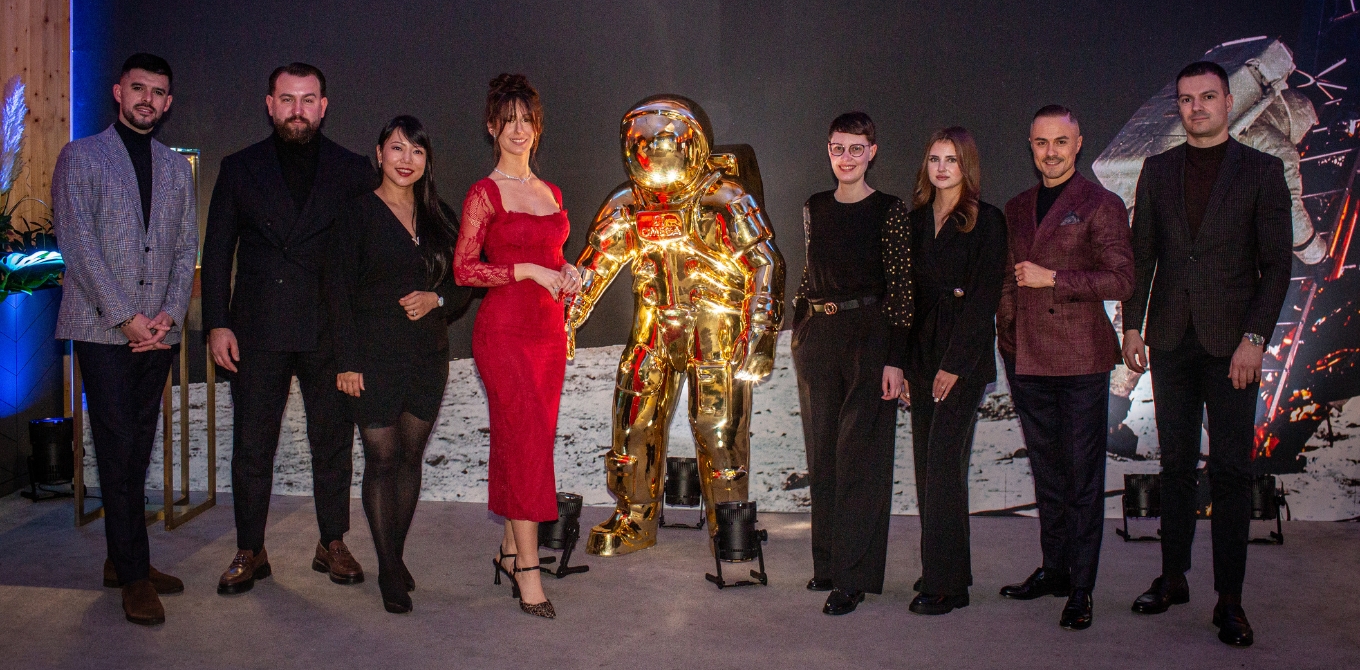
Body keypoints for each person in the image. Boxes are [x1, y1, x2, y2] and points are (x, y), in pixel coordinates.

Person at [1121, 61, 1292, 648]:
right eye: (1187, 99)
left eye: (1208, 97)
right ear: (1179, 107)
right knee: (1174, 467)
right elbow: (1142, 255)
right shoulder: (1157, 170)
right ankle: (1173, 578)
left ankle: (1230, 600)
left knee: (1230, 472)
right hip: (1170, 340)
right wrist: (1132, 327)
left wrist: (1255, 339)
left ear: (1226, 102)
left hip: (1233, 348)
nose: (1197, 107)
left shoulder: (1262, 172)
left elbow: (1277, 267)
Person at [201, 62, 375, 594]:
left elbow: (371, 248)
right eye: (287, 99)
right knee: (252, 446)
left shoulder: (352, 168)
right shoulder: (239, 168)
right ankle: (249, 549)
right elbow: (218, 251)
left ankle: (332, 542)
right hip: (257, 328)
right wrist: (217, 324)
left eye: (308, 99)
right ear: (270, 104)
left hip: (328, 328)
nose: (297, 110)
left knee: (333, 443)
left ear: (324, 106)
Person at [52, 53, 197, 625]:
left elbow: (185, 247)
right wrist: (125, 317)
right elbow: (78, 244)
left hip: (156, 331)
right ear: (119, 92)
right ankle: (135, 577)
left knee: (138, 448)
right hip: (100, 327)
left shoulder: (175, 167)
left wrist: (167, 314)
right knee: (116, 445)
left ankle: (122, 558)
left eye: (158, 92)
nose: (148, 100)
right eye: (139, 88)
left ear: (168, 102)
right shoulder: (81, 156)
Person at [996, 105, 1134, 630]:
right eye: (1040, 142)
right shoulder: (1016, 207)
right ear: (1030, 147)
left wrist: (1054, 279)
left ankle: (1082, 586)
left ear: (1078, 144)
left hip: (1079, 359)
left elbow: (1121, 280)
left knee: (1082, 478)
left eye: (1060, 142)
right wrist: (1007, 336)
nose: (1050, 152)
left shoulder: (1101, 203)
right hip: (1026, 357)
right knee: (1047, 473)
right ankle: (1054, 570)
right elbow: (1008, 280)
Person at [327, 116, 472, 613]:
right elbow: (337, 293)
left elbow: (464, 280)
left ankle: (395, 554)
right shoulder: (356, 214)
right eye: (397, 148)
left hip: (428, 358)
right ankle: (389, 568)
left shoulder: (440, 216)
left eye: (417, 151)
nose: (406, 159)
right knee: (382, 460)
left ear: (427, 160)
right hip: (372, 360)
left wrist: (436, 299)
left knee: (410, 459)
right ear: (379, 153)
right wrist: (346, 361)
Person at [454, 74, 579, 619]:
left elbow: (554, 260)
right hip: (503, 334)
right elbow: (464, 269)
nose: (519, 130)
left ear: (538, 128)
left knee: (526, 441)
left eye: (527, 121)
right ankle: (529, 569)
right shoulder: (483, 194)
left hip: (547, 334)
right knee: (525, 441)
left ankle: (510, 549)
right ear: (492, 128)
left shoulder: (551, 192)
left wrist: (567, 273)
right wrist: (526, 270)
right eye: (508, 121)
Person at [791, 112, 913, 616]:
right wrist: (799, 330)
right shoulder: (815, 207)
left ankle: (854, 577)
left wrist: (896, 360)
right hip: (819, 337)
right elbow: (809, 272)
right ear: (829, 151)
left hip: (870, 336)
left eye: (856, 149)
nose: (846, 158)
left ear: (872, 153)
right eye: (838, 148)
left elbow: (902, 290)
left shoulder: (889, 210)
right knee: (823, 455)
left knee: (859, 458)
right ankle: (828, 565)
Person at [900, 127, 1007, 615]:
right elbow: (904, 299)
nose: (942, 168)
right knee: (929, 469)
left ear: (967, 166)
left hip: (962, 359)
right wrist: (904, 365)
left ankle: (947, 586)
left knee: (944, 466)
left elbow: (984, 298)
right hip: (920, 354)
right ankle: (947, 569)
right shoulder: (913, 221)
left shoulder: (987, 221)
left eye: (952, 160)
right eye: (935, 159)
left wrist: (955, 366)